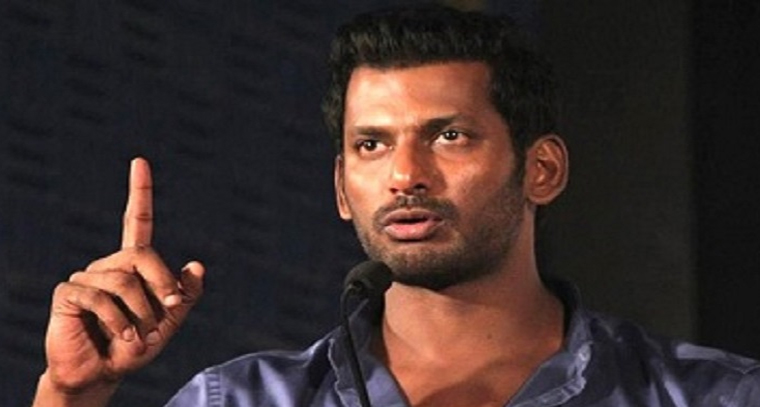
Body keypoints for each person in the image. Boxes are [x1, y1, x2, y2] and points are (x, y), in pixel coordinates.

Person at [31, 5, 760, 407]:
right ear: (341, 189)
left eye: (448, 136)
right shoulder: (244, 400)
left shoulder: (714, 396)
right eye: (372, 145)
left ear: (541, 170)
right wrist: (71, 393)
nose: (405, 174)